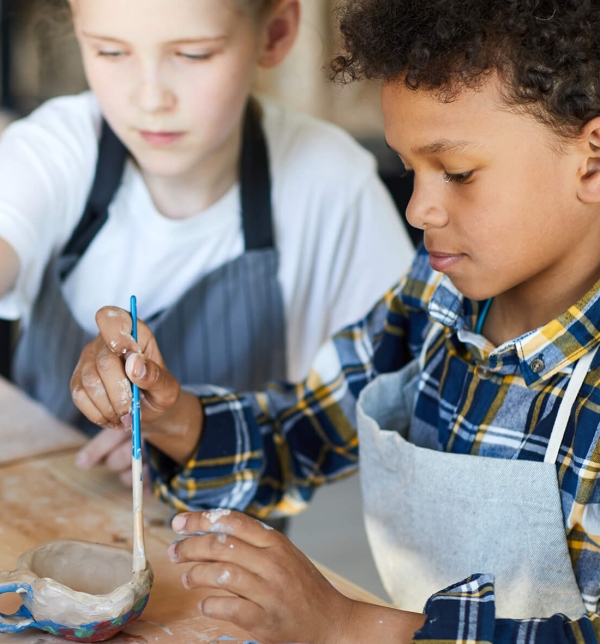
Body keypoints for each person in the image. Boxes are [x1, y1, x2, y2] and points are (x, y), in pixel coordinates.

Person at [71, 0, 600, 644]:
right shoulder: (435, 296)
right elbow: (305, 431)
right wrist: (171, 415)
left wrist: (355, 626)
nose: (419, 209)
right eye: (410, 168)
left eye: (457, 172)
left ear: (592, 160)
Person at [0, 0, 412, 486]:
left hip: (221, 548)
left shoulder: (331, 185)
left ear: (275, 33)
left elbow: (398, 403)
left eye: (193, 54)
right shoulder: (56, 149)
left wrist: (187, 433)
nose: (150, 98)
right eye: (111, 52)